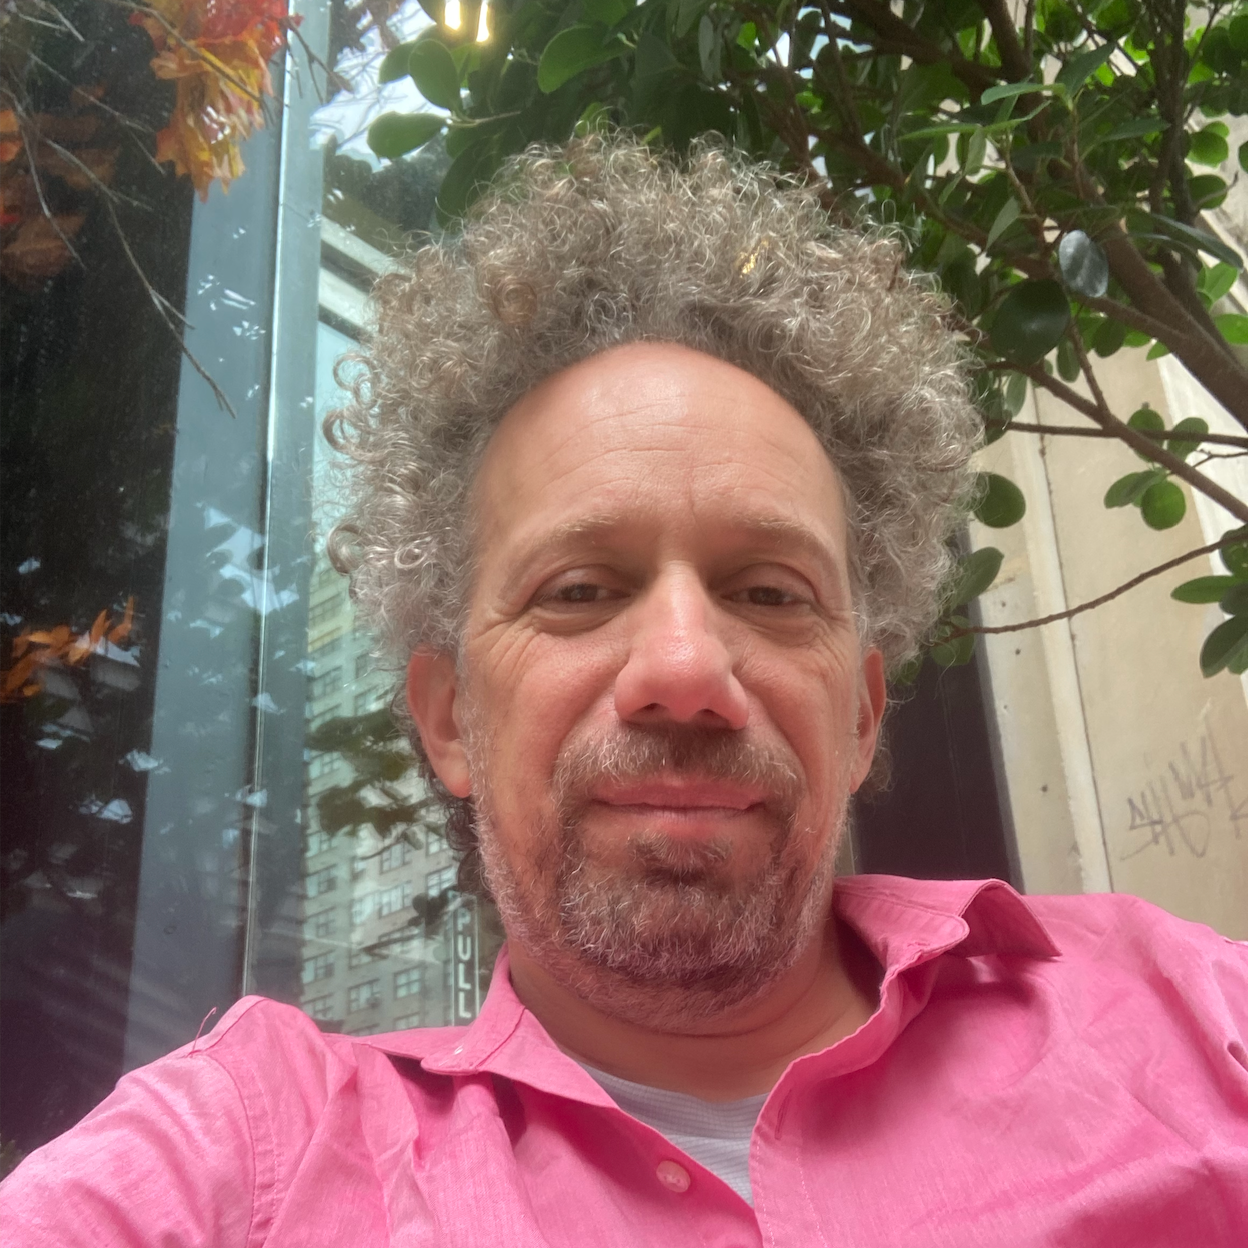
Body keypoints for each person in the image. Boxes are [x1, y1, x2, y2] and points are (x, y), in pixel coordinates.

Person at [3, 135, 1246, 1247]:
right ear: (449, 719)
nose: (687, 672)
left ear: (863, 716)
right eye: (581, 590)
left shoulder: (1192, 1022)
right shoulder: (239, 1163)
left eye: (771, 593)